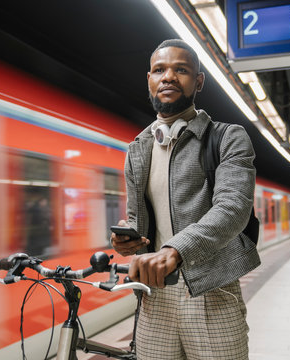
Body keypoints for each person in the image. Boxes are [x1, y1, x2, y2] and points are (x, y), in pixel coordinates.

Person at [110, 39, 260, 360]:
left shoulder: (228, 137)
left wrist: (176, 250)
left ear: (199, 81)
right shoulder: (138, 148)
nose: (169, 77)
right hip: (155, 295)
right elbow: (140, 221)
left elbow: (232, 209)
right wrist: (130, 241)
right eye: (159, 70)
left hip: (212, 292)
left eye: (182, 70)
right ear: (149, 80)